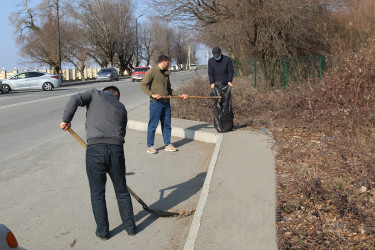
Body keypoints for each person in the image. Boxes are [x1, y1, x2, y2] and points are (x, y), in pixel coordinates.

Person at [59, 86, 136, 240]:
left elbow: (74, 99)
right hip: (116, 150)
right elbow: (123, 132)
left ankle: (103, 232)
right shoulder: (121, 107)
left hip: (95, 149)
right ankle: (131, 228)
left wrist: (66, 120)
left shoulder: (94, 94)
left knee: (97, 193)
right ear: (115, 93)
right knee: (121, 191)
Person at [140, 55, 189, 154]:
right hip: (156, 103)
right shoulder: (151, 72)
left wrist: (180, 95)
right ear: (163, 62)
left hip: (166, 103)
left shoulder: (166, 74)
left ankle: (168, 144)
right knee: (153, 125)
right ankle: (150, 146)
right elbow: (143, 85)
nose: (168, 65)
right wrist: (152, 94)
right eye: (168, 63)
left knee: (167, 125)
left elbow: (169, 90)